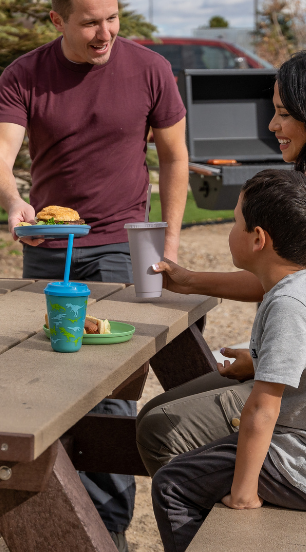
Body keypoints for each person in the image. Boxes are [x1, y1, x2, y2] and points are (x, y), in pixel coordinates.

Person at [0, 0, 189, 550]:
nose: (106, 34)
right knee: (48, 387)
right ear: (57, 19)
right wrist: (14, 200)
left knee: (113, 398)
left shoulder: (150, 69)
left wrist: (169, 240)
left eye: (113, 18)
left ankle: (110, 534)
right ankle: (50, 520)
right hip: (49, 251)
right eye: (90, 23)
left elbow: (175, 158)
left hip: (123, 249)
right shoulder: (24, 75)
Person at [137, 51, 306, 473]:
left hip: (297, 385)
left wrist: (273, 364)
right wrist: (190, 281)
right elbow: (283, 277)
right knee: (159, 410)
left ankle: (239, 507)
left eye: (284, 114)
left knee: (161, 430)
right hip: (288, 364)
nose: (271, 126)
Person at [150, 169, 306, 552]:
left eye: (236, 222)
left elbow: (262, 411)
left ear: (258, 239)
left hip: (297, 462)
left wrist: (243, 495)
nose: (230, 230)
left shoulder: (288, 303)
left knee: (172, 484)